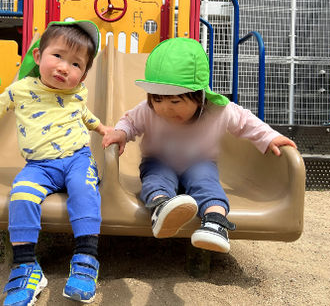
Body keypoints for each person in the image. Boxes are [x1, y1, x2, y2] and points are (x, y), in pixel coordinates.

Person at [0, 20, 112, 305]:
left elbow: (85, 115)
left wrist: (103, 129)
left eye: (75, 64)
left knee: (85, 191)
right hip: (39, 166)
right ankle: (26, 267)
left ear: (83, 76)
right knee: (21, 193)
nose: (63, 67)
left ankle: (85, 259)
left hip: (77, 160)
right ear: (38, 56)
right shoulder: (21, 89)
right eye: (57, 56)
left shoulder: (77, 94)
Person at [102, 38, 297, 254]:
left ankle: (215, 224)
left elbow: (246, 122)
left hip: (199, 161)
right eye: (157, 100)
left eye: (175, 102)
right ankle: (162, 208)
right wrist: (120, 133)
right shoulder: (148, 110)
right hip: (159, 159)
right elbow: (130, 121)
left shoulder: (218, 111)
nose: (164, 108)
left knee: (206, 184)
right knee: (155, 180)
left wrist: (270, 137)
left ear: (199, 96)